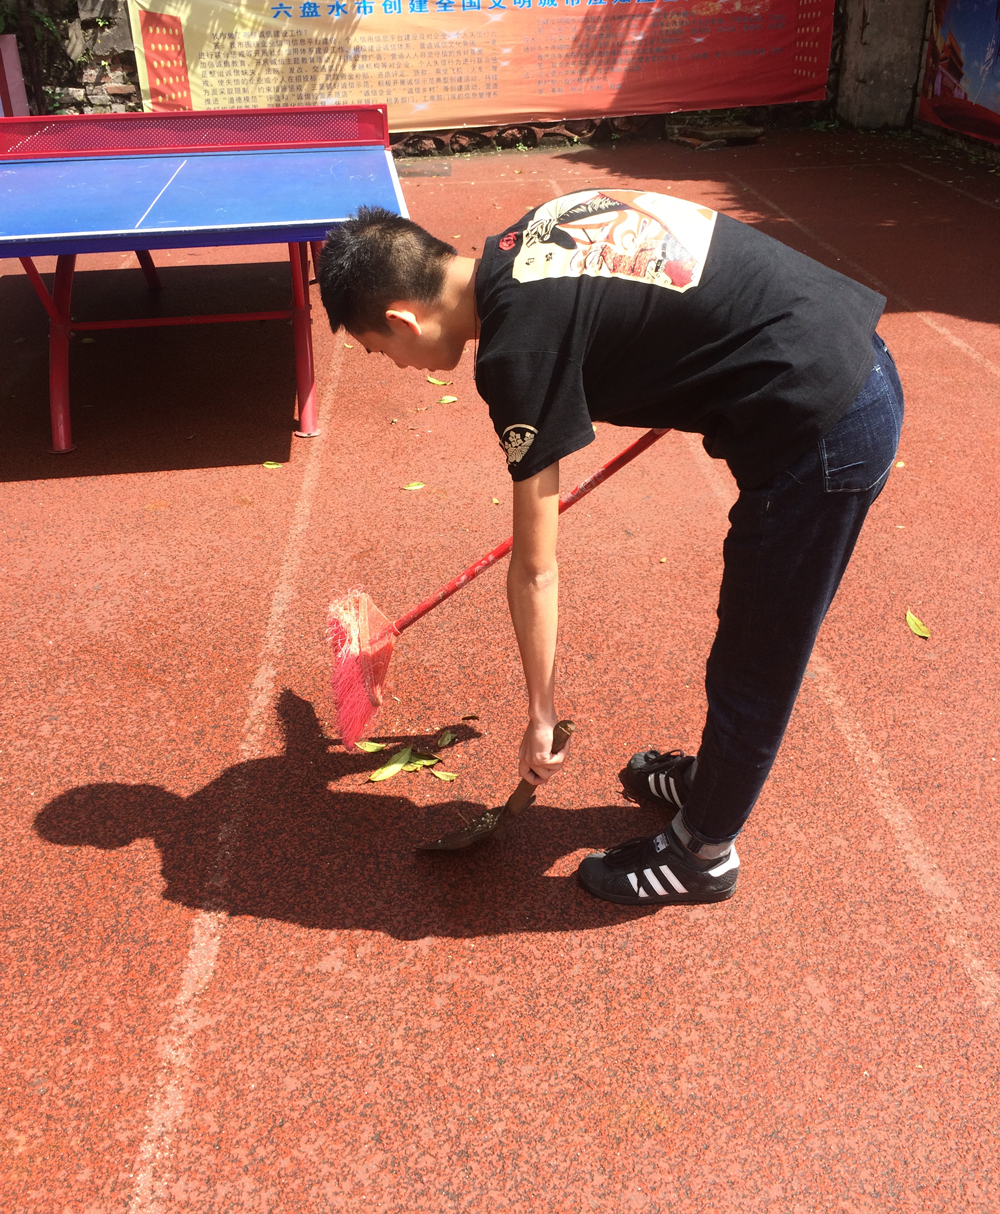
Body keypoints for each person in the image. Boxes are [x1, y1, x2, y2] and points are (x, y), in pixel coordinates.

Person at [317, 189, 903, 908]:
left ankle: (704, 853)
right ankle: (712, 782)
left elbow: (536, 568)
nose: (396, 364)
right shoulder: (531, 235)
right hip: (842, 347)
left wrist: (540, 714)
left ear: (403, 319)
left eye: (379, 351)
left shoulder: (516, 352)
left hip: (825, 426)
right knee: (745, 633)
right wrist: (701, 351)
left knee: (756, 658)